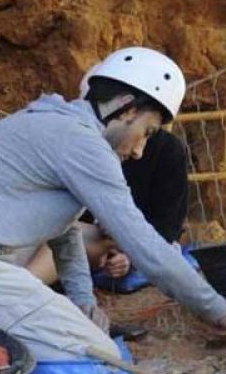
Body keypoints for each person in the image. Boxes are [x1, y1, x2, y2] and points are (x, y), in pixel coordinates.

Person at [0, 46, 226, 364]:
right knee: (97, 356)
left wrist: (84, 304)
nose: (140, 151)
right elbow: (145, 245)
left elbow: (65, 235)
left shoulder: (58, 125)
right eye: (148, 131)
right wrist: (215, 308)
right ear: (127, 107)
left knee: (75, 336)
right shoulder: (81, 142)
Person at [24, 64, 193, 286]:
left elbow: (165, 226)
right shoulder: (76, 140)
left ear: (127, 112)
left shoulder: (166, 152)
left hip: (109, 243)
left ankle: (18, 291)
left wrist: (129, 257)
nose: (138, 152)